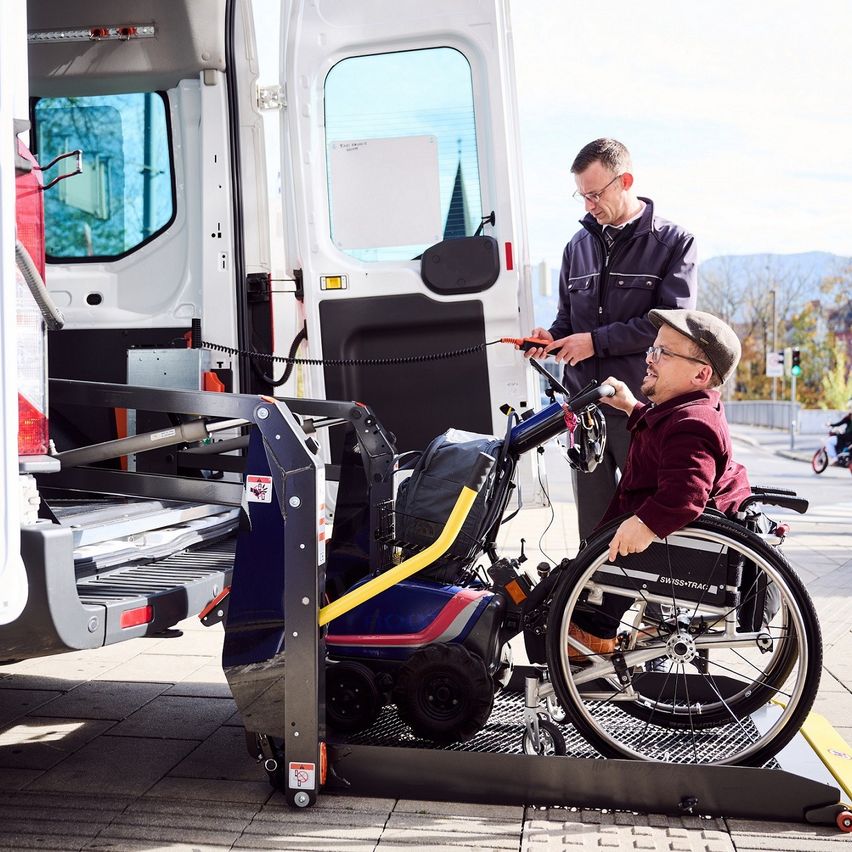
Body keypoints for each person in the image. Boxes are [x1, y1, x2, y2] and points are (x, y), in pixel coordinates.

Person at [526, 138, 697, 541]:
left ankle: (658, 606)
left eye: (595, 194)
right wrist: (550, 337)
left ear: (626, 181)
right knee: (595, 529)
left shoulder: (674, 243)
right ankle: (594, 602)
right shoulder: (577, 247)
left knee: (651, 522)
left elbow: (670, 326)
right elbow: (568, 319)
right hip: (584, 410)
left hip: (641, 408)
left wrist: (596, 342)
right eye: (581, 196)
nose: (588, 205)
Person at [567, 308, 752, 657]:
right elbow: (661, 436)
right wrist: (630, 407)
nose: (650, 360)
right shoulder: (683, 412)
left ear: (701, 373)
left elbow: (686, 494)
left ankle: (584, 652)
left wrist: (645, 524)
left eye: (663, 353)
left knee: (570, 603)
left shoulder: (692, 424)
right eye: (653, 350)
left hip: (655, 556)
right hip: (643, 554)